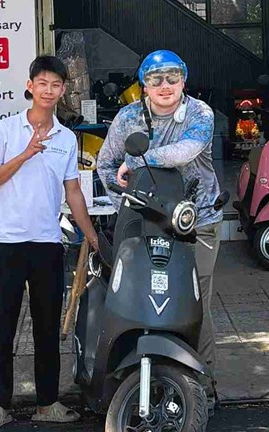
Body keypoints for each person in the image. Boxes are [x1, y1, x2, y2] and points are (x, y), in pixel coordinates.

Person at [0, 55, 98, 428]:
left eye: (56, 85)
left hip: (47, 243)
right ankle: (0, 403)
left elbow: (73, 191)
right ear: (30, 85)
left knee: (48, 328)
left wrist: (91, 236)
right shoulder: (5, 130)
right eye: (42, 83)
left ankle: (48, 402)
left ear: (62, 90)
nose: (48, 90)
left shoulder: (65, 138)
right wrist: (25, 154)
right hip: (6, 244)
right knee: (2, 326)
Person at [97, 50, 223, 392]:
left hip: (196, 223)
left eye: (172, 78)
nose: (164, 86)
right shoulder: (126, 119)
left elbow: (187, 151)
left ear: (183, 80)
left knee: (195, 303)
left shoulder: (199, 113)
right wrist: (123, 203)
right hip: (142, 225)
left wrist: (139, 161)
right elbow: (106, 165)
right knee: (138, 295)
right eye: (155, 80)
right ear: (144, 85)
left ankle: (203, 381)